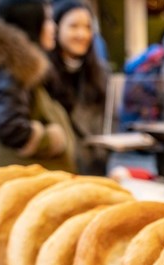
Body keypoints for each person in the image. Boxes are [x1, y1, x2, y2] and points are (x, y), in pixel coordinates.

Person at [0, 0, 76, 172]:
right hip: (25, 180)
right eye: (47, 19)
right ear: (30, 23)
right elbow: (11, 129)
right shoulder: (16, 70)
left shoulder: (16, 67)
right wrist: (53, 139)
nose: (54, 27)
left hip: (27, 177)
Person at [48, 0, 108, 174]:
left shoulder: (100, 74)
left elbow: (108, 125)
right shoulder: (42, 74)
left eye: (88, 27)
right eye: (73, 26)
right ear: (56, 28)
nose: (82, 34)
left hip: (95, 171)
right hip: (57, 171)